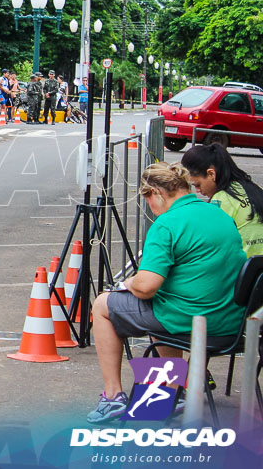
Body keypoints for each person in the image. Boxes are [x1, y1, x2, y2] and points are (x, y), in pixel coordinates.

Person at [86, 162, 247, 423]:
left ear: (156, 193)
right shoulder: (220, 214)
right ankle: (172, 391)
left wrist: (130, 283)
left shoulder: (167, 224)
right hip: (230, 322)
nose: (149, 207)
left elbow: (148, 286)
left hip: (190, 320)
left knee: (103, 305)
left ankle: (113, 395)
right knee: (160, 305)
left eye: (147, 199)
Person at [182, 143, 263, 257]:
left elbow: (207, 243)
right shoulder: (255, 189)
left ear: (211, 174)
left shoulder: (220, 200)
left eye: (198, 185)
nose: (197, 191)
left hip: (244, 269)